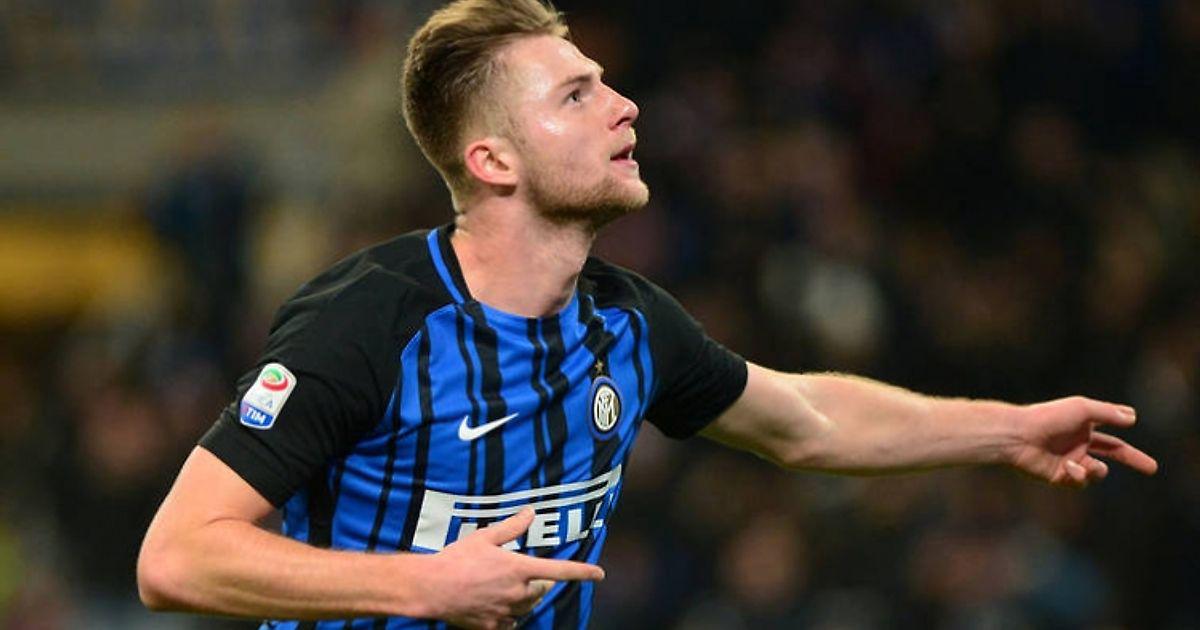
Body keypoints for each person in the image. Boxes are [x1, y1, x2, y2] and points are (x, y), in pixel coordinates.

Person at [136, 1, 1159, 628]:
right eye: (576, 96)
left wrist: (1006, 429)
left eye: (607, 84)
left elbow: (805, 421)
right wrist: (420, 587)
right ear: (492, 160)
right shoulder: (371, 321)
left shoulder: (626, 324)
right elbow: (177, 558)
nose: (625, 105)